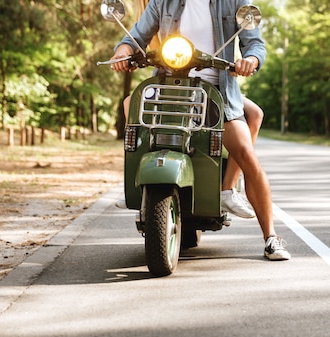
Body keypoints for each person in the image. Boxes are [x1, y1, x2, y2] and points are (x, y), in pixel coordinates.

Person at [110, 0, 290, 261]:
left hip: (217, 92)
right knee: (131, 104)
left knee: (246, 155)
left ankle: (270, 237)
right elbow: (137, 35)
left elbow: (255, 43)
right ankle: (133, 183)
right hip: (169, 85)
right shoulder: (164, 2)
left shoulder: (236, 3)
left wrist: (251, 59)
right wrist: (122, 51)